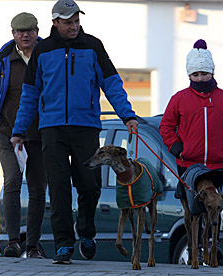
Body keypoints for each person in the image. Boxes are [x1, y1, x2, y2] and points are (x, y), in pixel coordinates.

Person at [10, 0, 138, 265]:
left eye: (77, 21)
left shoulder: (93, 46)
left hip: (86, 126)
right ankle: (64, 245)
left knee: (89, 186)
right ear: (55, 22)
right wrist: (19, 129)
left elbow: (112, 83)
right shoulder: (43, 50)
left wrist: (127, 114)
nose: (74, 26)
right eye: (68, 22)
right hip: (52, 129)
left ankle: (87, 232)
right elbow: (30, 94)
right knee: (58, 189)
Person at [159, 39, 223, 259]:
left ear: (212, 73)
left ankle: (213, 246)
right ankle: (194, 247)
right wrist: (177, 147)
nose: (200, 78)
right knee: (192, 210)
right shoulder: (179, 99)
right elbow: (166, 125)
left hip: (215, 164)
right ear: (189, 76)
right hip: (188, 165)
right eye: (195, 75)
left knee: (213, 208)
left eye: (204, 74)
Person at [0, 12, 47, 259]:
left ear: (37, 32)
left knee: (38, 188)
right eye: (20, 31)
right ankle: (13, 242)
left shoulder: (49, 56)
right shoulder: (1, 61)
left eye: (30, 31)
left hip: (40, 135)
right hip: (7, 134)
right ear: (13, 34)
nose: (25, 35)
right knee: (12, 181)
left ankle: (33, 246)